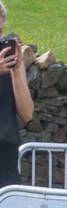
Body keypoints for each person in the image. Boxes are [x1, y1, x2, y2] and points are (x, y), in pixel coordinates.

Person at [0, 3, 34, 188]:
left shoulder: (7, 62)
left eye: (0, 30)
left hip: (6, 154)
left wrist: (17, 72)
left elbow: (27, 114)